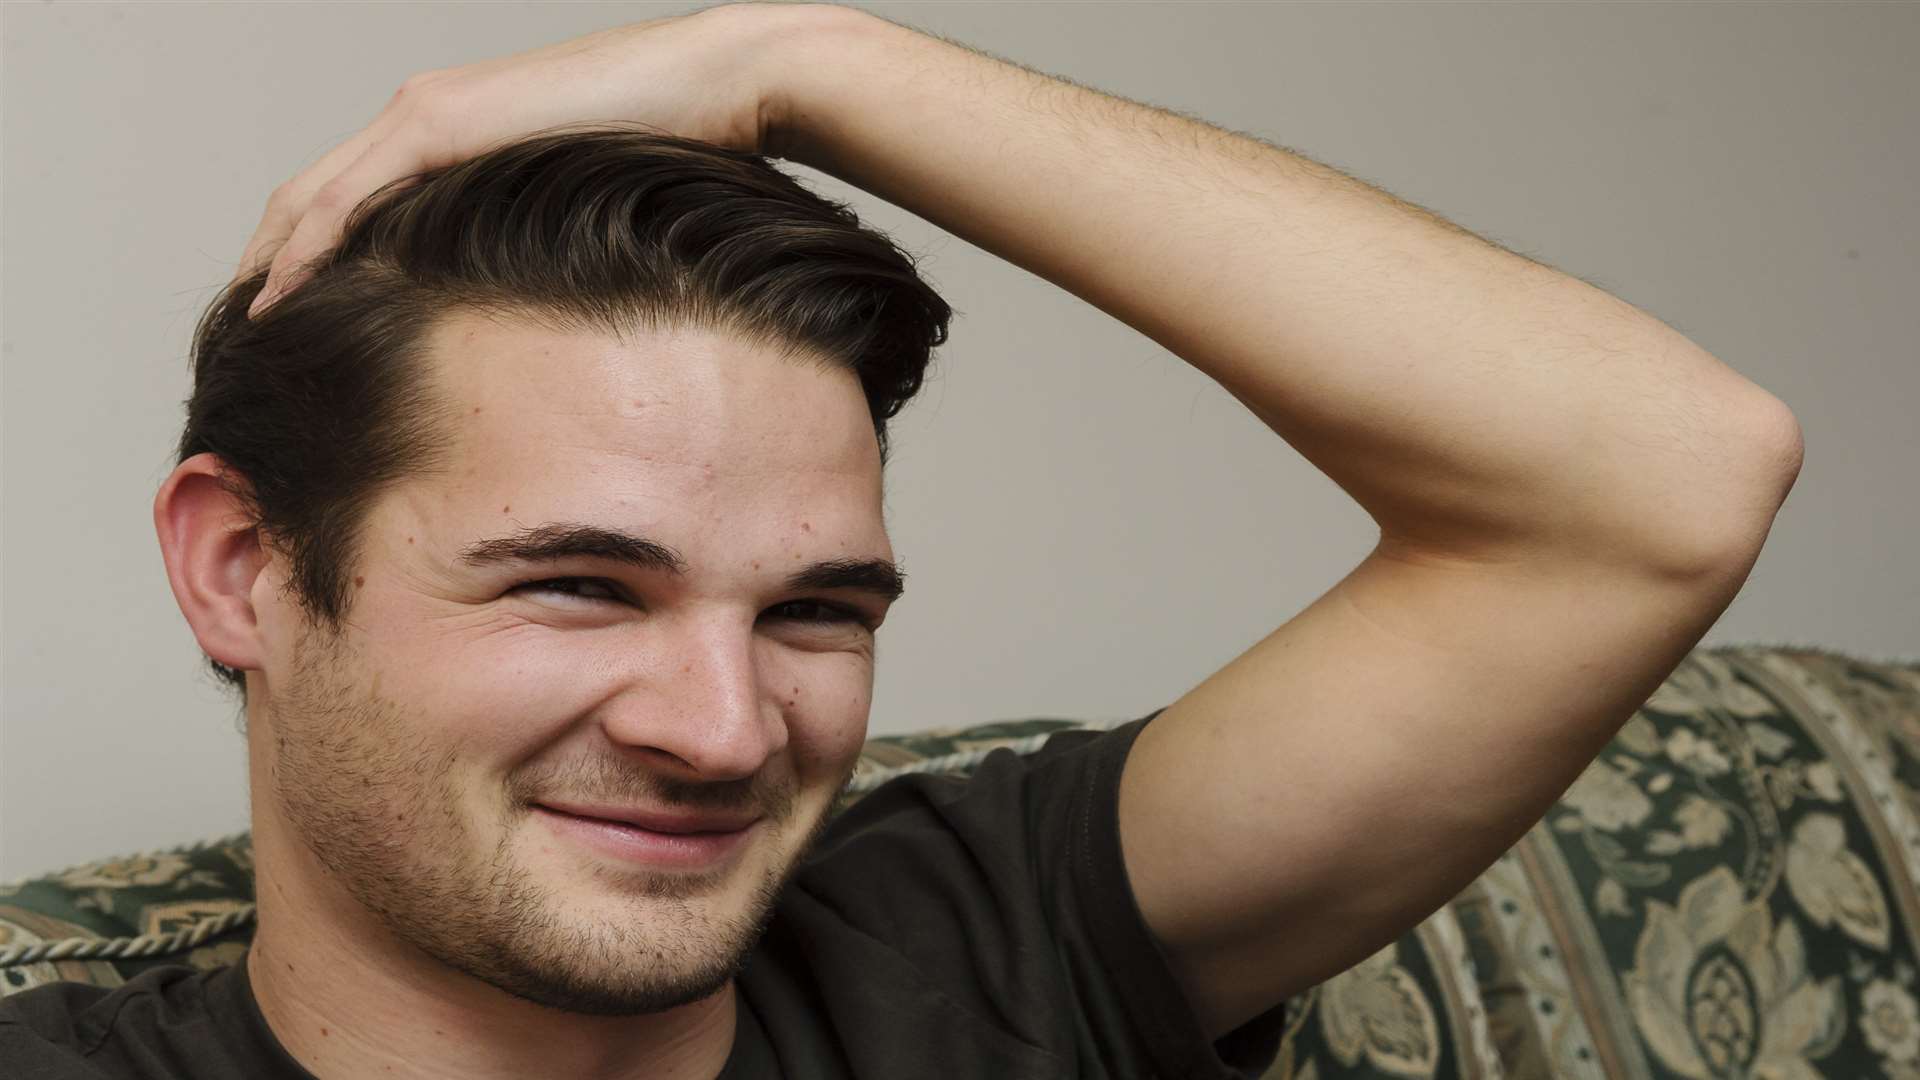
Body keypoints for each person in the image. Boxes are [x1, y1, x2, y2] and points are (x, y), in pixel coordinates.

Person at [0, 2, 1801, 1078]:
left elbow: (1661, 482)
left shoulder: (994, 940)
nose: (722, 730)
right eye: (577, 582)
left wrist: (800, 57)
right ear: (242, 566)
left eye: (816, 612)